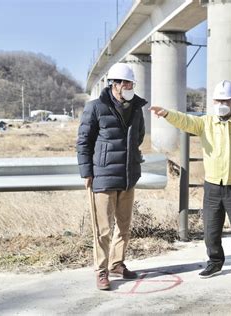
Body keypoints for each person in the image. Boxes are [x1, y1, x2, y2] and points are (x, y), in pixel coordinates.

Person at [149, 80, 231, 281]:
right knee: (211, 228)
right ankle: (215, 263)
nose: (221, 104)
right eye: (218, 100)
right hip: (212, 185)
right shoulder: (205, 123)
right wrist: (166, 113)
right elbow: (185, 120)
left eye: (225, 100)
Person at [76, 62, 147, 290]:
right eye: (125, 83)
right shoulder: (95, 107)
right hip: (103, 175)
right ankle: (101, 270)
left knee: (124, 226)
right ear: (114, 84)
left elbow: (139, 136)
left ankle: (117, 264)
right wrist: (87, 171)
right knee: (103, 228)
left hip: (127, 174)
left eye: (131, 83)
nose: (129, 86)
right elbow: (84, 142)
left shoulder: (136, 107)